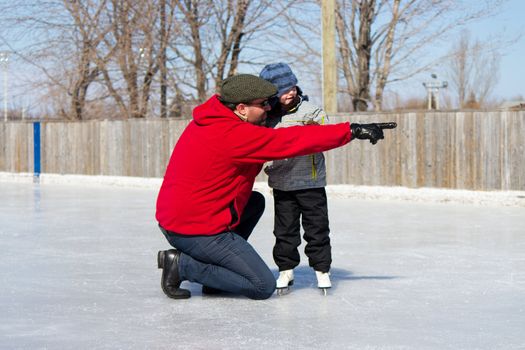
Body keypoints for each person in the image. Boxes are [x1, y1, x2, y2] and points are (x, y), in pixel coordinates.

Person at [155, 73, 396, 300]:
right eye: (263, 104)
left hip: (185, 217)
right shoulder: (233, 135)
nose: (270, 108)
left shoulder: (213, 120)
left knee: (254, 201)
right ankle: (181, 265)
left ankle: (217, 277)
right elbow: (291, 140)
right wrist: (349, 131)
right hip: (194, 230)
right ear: (241, 108)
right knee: (261, 285)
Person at [259, 62, 333, 294]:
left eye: (292, 86)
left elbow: (327, 129)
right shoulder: (268, 117)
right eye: (283, 89)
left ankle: (322, 269)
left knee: (317, 228)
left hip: (311, 182)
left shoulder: (310, 110)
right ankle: (286, 269)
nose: (290, 92)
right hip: (282, 184)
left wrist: (316, 127)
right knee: (285, 231)